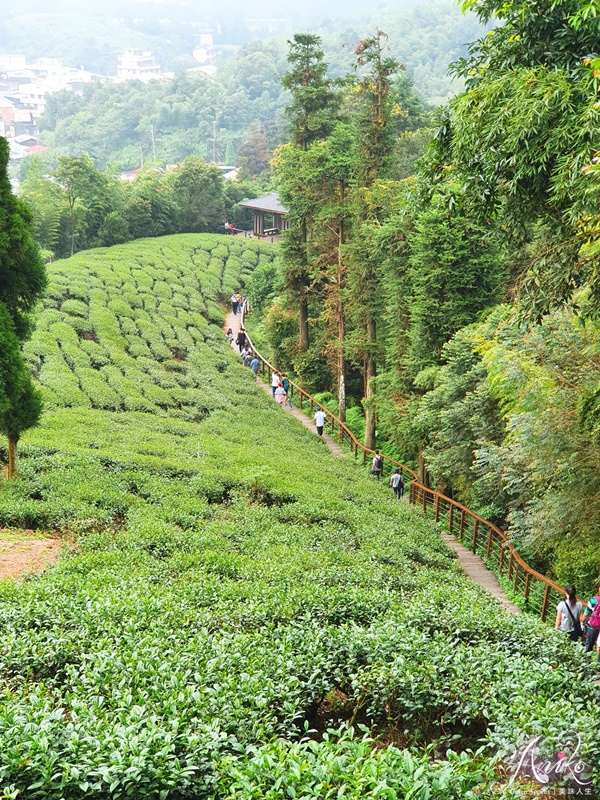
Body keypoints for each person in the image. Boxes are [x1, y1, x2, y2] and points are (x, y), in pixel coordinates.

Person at [581, 585, 600, 655]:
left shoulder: (593, 600)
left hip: (592, 627)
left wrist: (582, 621)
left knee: (588, 647)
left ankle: (586, 662)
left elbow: (586, 613)